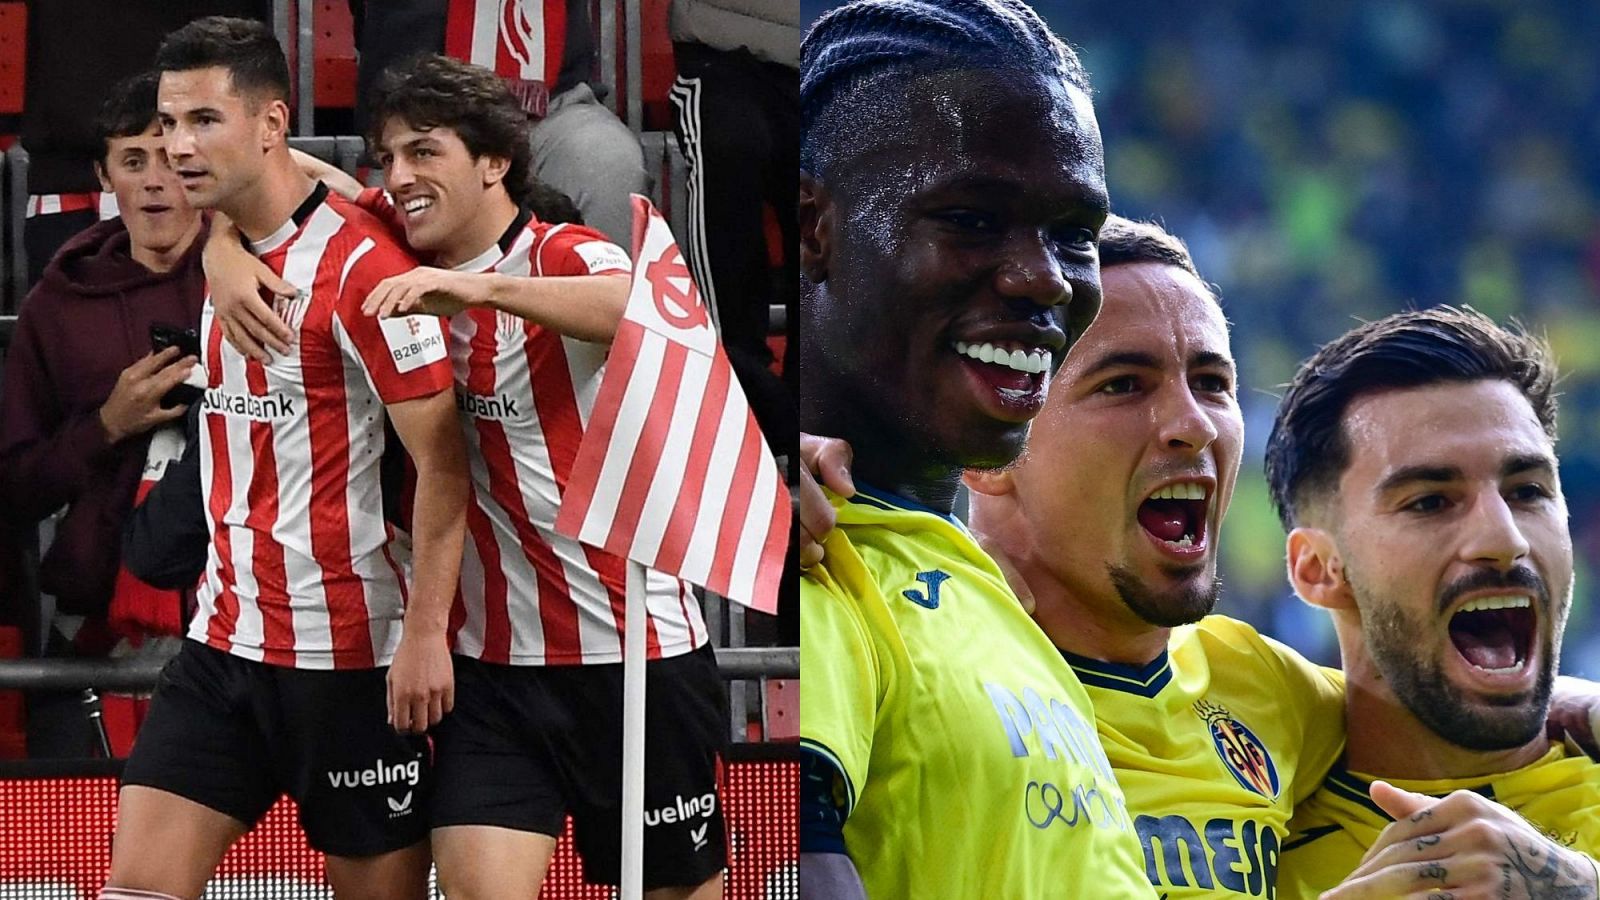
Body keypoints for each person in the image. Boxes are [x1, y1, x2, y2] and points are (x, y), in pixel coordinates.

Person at [802, 220, 1600, 899]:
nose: (1191, 423)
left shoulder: (1265, 691)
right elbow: (755, 828)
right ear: (991, 451)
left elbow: (1412, 673)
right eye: (1123, 384)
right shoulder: (869, 601)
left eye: (1212, 383)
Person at [202, 52, 729, 899]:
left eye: (424, 152)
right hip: (490, 667)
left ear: (494, 162)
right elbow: (264, 173)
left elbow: (632, 308)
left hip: (631, 653)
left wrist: (477, 289)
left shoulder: (564, 251)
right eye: (387, 157)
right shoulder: (395, 233)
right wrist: (221, 248)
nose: (398, 176)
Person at [100, 18, 468, 900]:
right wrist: (223, 246)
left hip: (350, 664)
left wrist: (422, 637)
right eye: (166, 123)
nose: (177, 148)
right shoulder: (222, 236)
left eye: (202, 123)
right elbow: (274, 201)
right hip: (221, 641)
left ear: (271, 125)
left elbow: (445, 466)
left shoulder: (363, 271)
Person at [797, 2, 1151, 898]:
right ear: (813, 231)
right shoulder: (803, 557)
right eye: (972, 219)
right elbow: (771, 861)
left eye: (1076, 234)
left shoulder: (970, 588)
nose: (1043, 277)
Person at [1265, 307, 1600, 898]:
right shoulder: (1241, 847)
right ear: (1319, 570)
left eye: (1527, 492)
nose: (1505, 540)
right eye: (1430, 502)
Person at [0, 71, 209, 755]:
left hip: (246, 618)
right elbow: (13, 487)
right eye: (133, 160)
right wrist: (108, 426)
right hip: (96, 631)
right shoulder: (58, 304)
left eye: (171, 160)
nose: (154, 182)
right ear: (102, 175)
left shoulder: (264, 274)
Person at [347, 0, 648, 248]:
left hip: (552, 102)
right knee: (394, 216)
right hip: (416, 110)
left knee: (609, 163)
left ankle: (602, 309)